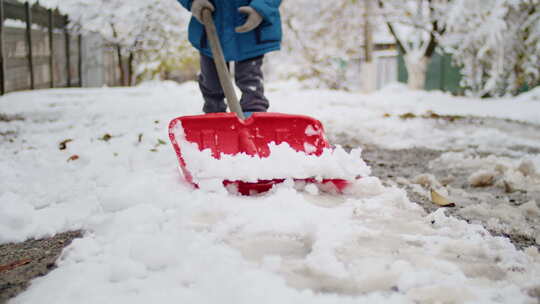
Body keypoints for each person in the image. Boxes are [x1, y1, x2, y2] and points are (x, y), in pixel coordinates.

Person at [178, 0, 282, 117]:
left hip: (250, 30)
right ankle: (215, 119)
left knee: (251, 82)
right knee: (211, 82)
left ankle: (252, 120)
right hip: (209, 26)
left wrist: (262, 7)